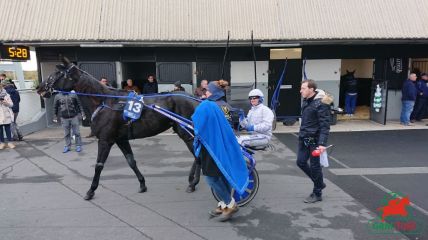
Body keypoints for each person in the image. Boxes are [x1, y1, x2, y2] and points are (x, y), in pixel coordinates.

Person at [192, 80, 248, 221]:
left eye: (208, 91)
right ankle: (223, 203)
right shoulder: (225, 105)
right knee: (223, 175)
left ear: (214, 93)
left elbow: (197, 122)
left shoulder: (208, 106)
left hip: (213, 148)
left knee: (211, 178)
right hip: (226, 145)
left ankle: (230, 203)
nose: (206, 92)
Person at [297, 80, 332, 203]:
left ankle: (317, 193)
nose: (301, 91)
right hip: (304, 138)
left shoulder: (322, 103)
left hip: (315, 140)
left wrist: (322, 144)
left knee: (315, 166)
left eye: (303, 88)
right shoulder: (306, 100)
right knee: (300, 162)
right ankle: (319, 183)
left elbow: (325, 125)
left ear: (311, 89)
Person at [0, 83, 15, 149]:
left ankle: (10, 143)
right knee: (0, 130)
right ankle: (2, 143)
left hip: (6, 114)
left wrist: (6, 103)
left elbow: (12, 105)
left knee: (7, 129)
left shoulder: (6, 95)